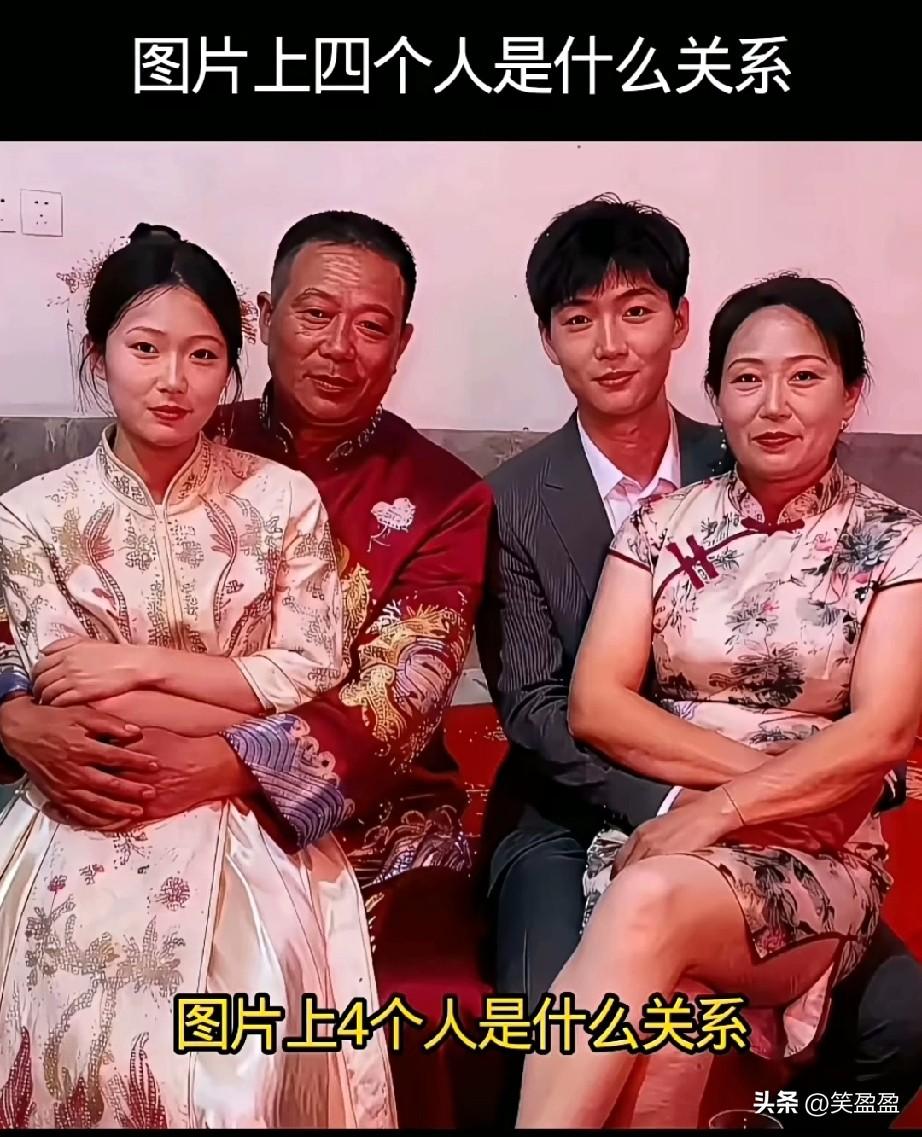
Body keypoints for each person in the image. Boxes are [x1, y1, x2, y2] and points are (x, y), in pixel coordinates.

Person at [0, 211, 494, 1128]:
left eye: (372, 325)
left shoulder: (440, 494)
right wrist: (13, 717)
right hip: (116, 778)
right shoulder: (177, 418)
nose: (340, 347)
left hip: (363, 812)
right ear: (264, 318)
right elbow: (35, 634)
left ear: (402, 343)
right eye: (315, 313)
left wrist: (227, 766)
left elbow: (395, 699)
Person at [478, 196, 922, 1125]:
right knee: (565, 1007)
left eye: (637, 311)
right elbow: (548, 707)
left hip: (808, 828)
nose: (612, 345)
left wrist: (752, 803)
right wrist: (738, 792)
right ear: (549, 339)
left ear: (680, 325)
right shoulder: (525, 501)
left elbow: (884, 730)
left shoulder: (786, 470)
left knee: (901, 1017)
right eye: (579, 319)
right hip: (582, 807)